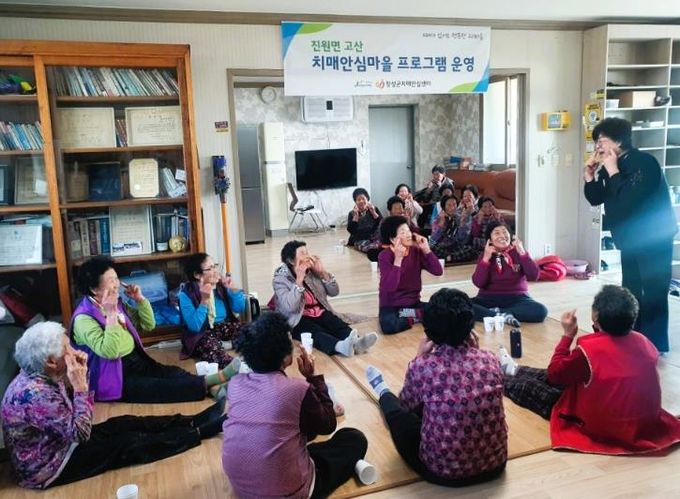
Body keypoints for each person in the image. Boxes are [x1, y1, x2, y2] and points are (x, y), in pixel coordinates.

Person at [1, 321, 226, 489]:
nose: (73, 351)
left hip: (63, 442)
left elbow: (71, 414)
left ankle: (192, 421)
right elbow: (81, 433)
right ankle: (200, 432)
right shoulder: (34, 395)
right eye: (67, 348)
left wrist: (81, 377)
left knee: (125, 423)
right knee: (128, 444)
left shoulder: (42, 374)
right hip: (50, 467)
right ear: (51, 361)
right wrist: (81, 387)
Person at [502, 285, 680, 454]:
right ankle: (514, 369)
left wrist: (567, 336)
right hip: (639, 420)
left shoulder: (589, 351)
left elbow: (554, 374)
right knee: (566, 373)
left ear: (596, 318)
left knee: (529, 387)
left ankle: (498, 378)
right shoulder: (644, 342)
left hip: (604, 424)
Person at [366, 289, 507, 486]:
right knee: (443, 404)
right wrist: (475, 352)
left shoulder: (423, 366)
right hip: (494, 465)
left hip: (442, 472)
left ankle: (382, 391)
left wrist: (419, 358)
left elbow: (405, 406)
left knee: (399, 419)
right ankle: (386, 393)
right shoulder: (491, 359)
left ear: (429, 332)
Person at [222, 312, 368, 498]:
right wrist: (313, 378)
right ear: (286, 358)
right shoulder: (297, 388)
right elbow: (328, 425)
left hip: (242, 490)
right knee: (353, 438)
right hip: (291, 492)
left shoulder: (235, 383)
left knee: (296, 441)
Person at [70, 256, 238, 403]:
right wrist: (111, 314)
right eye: (110, 280)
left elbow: (148, 324)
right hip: (113, 375)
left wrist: (140, 299)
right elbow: (110, 351)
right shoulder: (83, 318)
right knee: (160, 387)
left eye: (116, 278)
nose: (117, 284)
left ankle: (213, 387)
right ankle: (216, 380)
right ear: (94, 289)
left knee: (173, 373)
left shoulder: (116, 302)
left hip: (135, 360)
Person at [584, 117, 677, 353]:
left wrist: (613, 171)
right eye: (596, 142)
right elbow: (596, 198)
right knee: (631, 290)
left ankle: (655, 344)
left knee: (653, 291)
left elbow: (631, 199)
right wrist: (590, 176)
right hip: (630, 239)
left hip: (654, 238)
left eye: (602, 140)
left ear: (619, 140)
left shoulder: (644, 162)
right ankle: (633, 338)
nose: (598, 147)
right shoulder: (610, 166)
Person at [271, 240, 378, 357]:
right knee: (316, 332)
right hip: (297, 318)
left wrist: (322, 273)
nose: (307, 256)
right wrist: (299, 280)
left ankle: (357, 342)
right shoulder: (280, 278)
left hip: (318, 311)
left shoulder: (311, 271)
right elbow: (290, 307)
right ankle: (340, 347)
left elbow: (334, 292)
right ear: (291, 261)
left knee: (335, 323)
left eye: (307, 252)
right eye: (302, 253)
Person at [179, 253, 247, 368]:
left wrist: (235, 291)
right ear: (197, 275)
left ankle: (225, 344)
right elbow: (195, 326)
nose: (216, 271)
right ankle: (237, 366)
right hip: (201, 334)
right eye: (210, 268)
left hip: (222, 326)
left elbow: (239, 308)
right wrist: (204, 301)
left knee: (251, 331)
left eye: (215, 266)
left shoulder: (220, 285)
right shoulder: (186, 294)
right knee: (210, 347)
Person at [471, 221, 548, 323]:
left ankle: (495, 314)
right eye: (497, 233)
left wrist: (522, 252)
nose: (502, 235)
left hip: (517, 298)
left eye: (504, 232)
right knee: (460, 304)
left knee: (540, 311)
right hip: (487, 298)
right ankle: (502, 315)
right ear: (490, 240)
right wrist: (485, 259)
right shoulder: (485, 255)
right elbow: (479, 283)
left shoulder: (518, 252)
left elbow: (534, 276)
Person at [378, 215, 443, 334]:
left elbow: (438, 271)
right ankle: (412, 317)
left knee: (443, 311)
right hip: (392, 306)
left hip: (414, 303)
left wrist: (427, 250)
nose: (408, 235)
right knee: (388, 325)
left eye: (408, 230)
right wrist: (398, 260)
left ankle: (411, 314)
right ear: (392, 239)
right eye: (403, 232)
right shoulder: (384, 256)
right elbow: (390, 287)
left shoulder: (416, 251)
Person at [366, 196, 418, 262]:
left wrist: (408, 222)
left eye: (401, 208)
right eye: (396, 208)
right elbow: (382, 239)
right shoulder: (385, 222)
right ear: (390, 211)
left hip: (406, 246)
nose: (399, 211)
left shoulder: (405, 220)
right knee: (373, 252)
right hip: (391, 247)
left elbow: (416, 233)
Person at [430, 194, 477, 264]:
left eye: (454, 204)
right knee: (433, 249)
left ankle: (449, 258)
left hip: (455, 248)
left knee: (470, 249)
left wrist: (462, 224)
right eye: (449, 205)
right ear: (444, 207)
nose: (452, 208)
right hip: (442, 248)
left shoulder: (459, 217)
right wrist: (441, 226)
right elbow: (432, 242)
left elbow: (462, 241)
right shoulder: (438, 219)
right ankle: (451, 258)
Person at [346, 187, 382, 252]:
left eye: (363, 199)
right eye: (358, 200)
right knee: (370, 248)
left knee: (383, 245)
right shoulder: (352, 213)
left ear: (367, 199)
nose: (361, 201)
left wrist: (374, 213)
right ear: (355, 202)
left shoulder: (374, 209)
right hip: (359, 240)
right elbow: (351, 231)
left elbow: (382, 224)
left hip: (374, 238)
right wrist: (355, 217)